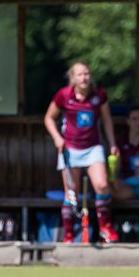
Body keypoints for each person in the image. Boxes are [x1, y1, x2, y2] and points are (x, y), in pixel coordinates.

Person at [44, 62, 120, 244]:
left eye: (86, 74)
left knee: (102, 185)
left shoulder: (99, 95)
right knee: (72, 192)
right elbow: (48, 118)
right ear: (73, 78)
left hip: (93, 147)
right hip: (70, 148)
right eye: (79, 74)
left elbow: (107, 120)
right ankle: (69, 234)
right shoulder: (64, 95)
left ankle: (105, 228)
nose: (84, 78)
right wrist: (57, 137)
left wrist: (112, 143)